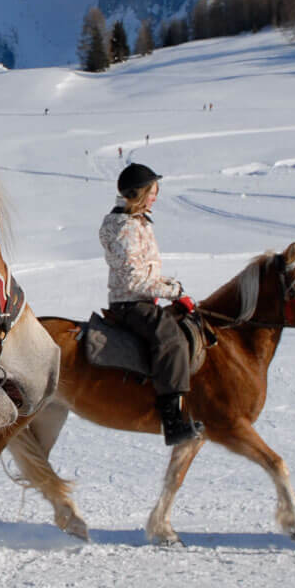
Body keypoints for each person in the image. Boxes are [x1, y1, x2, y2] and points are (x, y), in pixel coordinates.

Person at [101, 163, 201, 446]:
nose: (156, 196)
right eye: (152, 191)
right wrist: (173, 291)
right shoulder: (125, 228)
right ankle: (172, 418)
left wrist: (173, 288)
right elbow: (134, 281)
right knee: (171, 338)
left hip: (141, 298)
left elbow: (147, 274)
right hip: (130, 303)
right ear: (139, 193)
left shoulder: (135, 222)